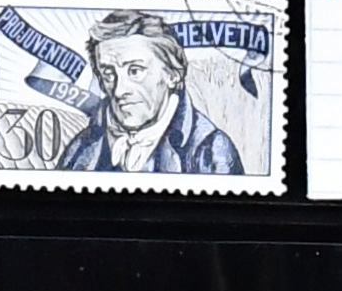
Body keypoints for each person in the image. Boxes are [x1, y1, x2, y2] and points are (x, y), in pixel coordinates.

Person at [58, 11, 243, 175]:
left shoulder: (211, 151)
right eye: (108, 74)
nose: (119, 90)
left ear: (172, 75)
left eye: (135, 71)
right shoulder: (81, 147)